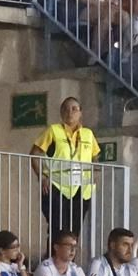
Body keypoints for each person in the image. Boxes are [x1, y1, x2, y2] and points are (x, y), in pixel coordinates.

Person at [32, 96, 101, 243]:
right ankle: (54, 262)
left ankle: (70, 264)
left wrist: (96, 174)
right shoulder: (53, 130)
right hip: (56, 186)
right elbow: (34, 154)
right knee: (58, 229)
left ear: (80, 112)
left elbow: (95, 157)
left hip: (81, 188)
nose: (70, 112)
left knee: (75, 230)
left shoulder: (88, 134)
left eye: (74, 109)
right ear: (61, 113)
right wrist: (42, 177)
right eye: (66, 109)